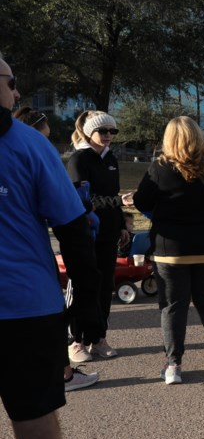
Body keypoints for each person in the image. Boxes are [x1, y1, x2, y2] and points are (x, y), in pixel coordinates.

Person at [0, 55, 101, 439]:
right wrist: (87, 306)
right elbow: (73, 229)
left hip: (28, 304)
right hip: (26, 305)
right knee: (35, 413)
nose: (18, 92)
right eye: (12, 81)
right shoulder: (28, 143)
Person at [132, 117, 204, 384]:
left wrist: (163, 213)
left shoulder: (160, 168)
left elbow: (141, 201)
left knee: (173, 307)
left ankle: (174, 364)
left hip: (172, 248)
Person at [66, 110, 126, 361]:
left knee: (104, 286)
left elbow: (115, 195)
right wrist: (108, 202)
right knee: (83, 286)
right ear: (89, 132)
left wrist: (123, 224)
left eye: (113, 131)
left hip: (109, 232)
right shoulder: (79, 159)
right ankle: (75, 340)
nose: (109, 135)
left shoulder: (111, 159)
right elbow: (81, 199)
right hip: (86, 233)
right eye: (103, 131)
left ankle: (98, 338)